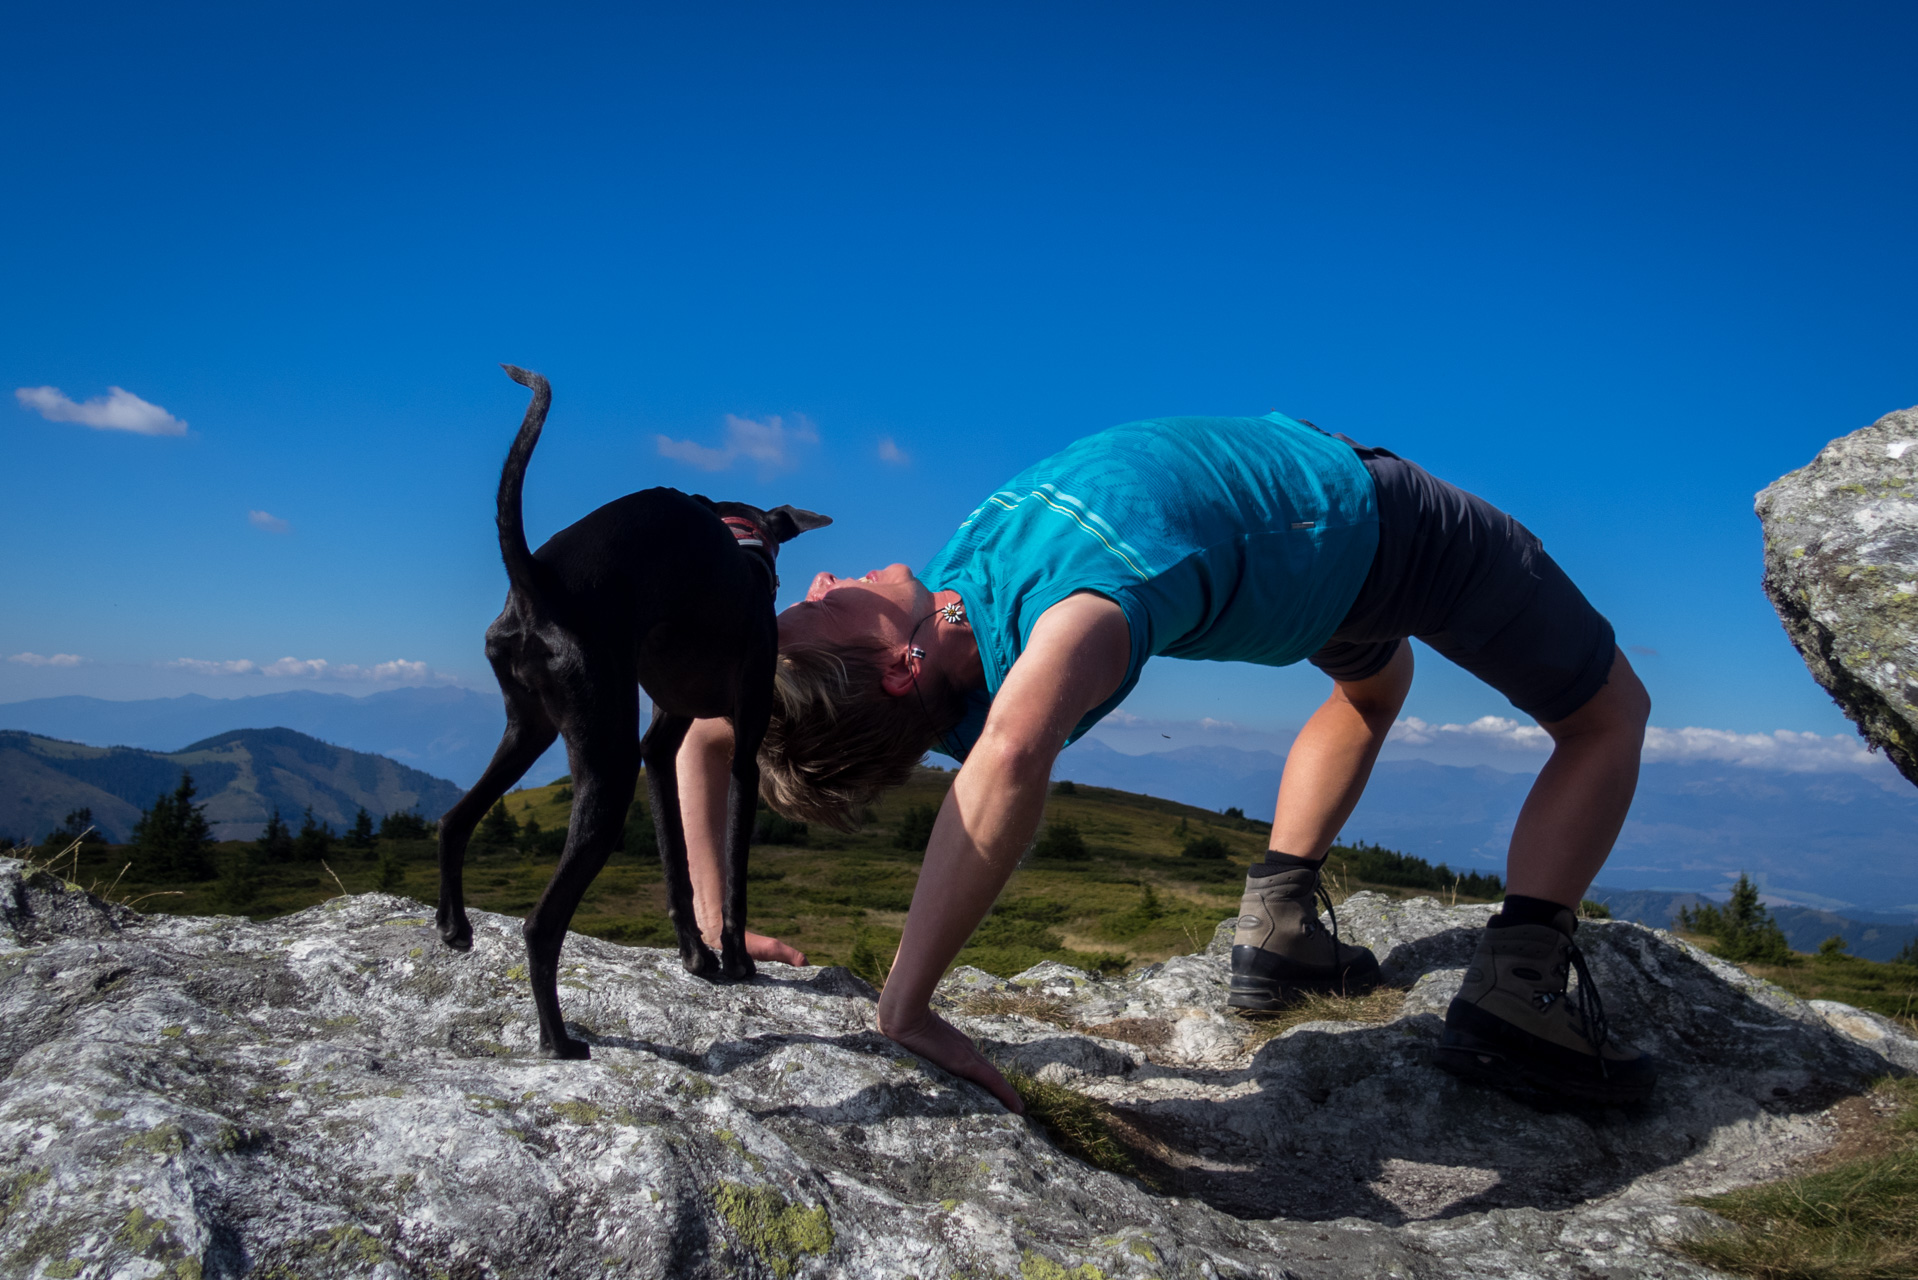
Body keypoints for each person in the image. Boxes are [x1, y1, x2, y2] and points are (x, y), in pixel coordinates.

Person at [675, 411, 1656, 1112]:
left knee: (1372, 685)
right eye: (820, 605)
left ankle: (1278, 928)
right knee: (1608, 712)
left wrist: (715, 927)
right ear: (897, 667)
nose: (820, 576)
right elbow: (1013, 751)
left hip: (1304, 572)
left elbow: (710, 731)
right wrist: (907, 1004)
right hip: (1370, 522)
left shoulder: (940, 648)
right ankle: (1518, 989)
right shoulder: (1072, 622)